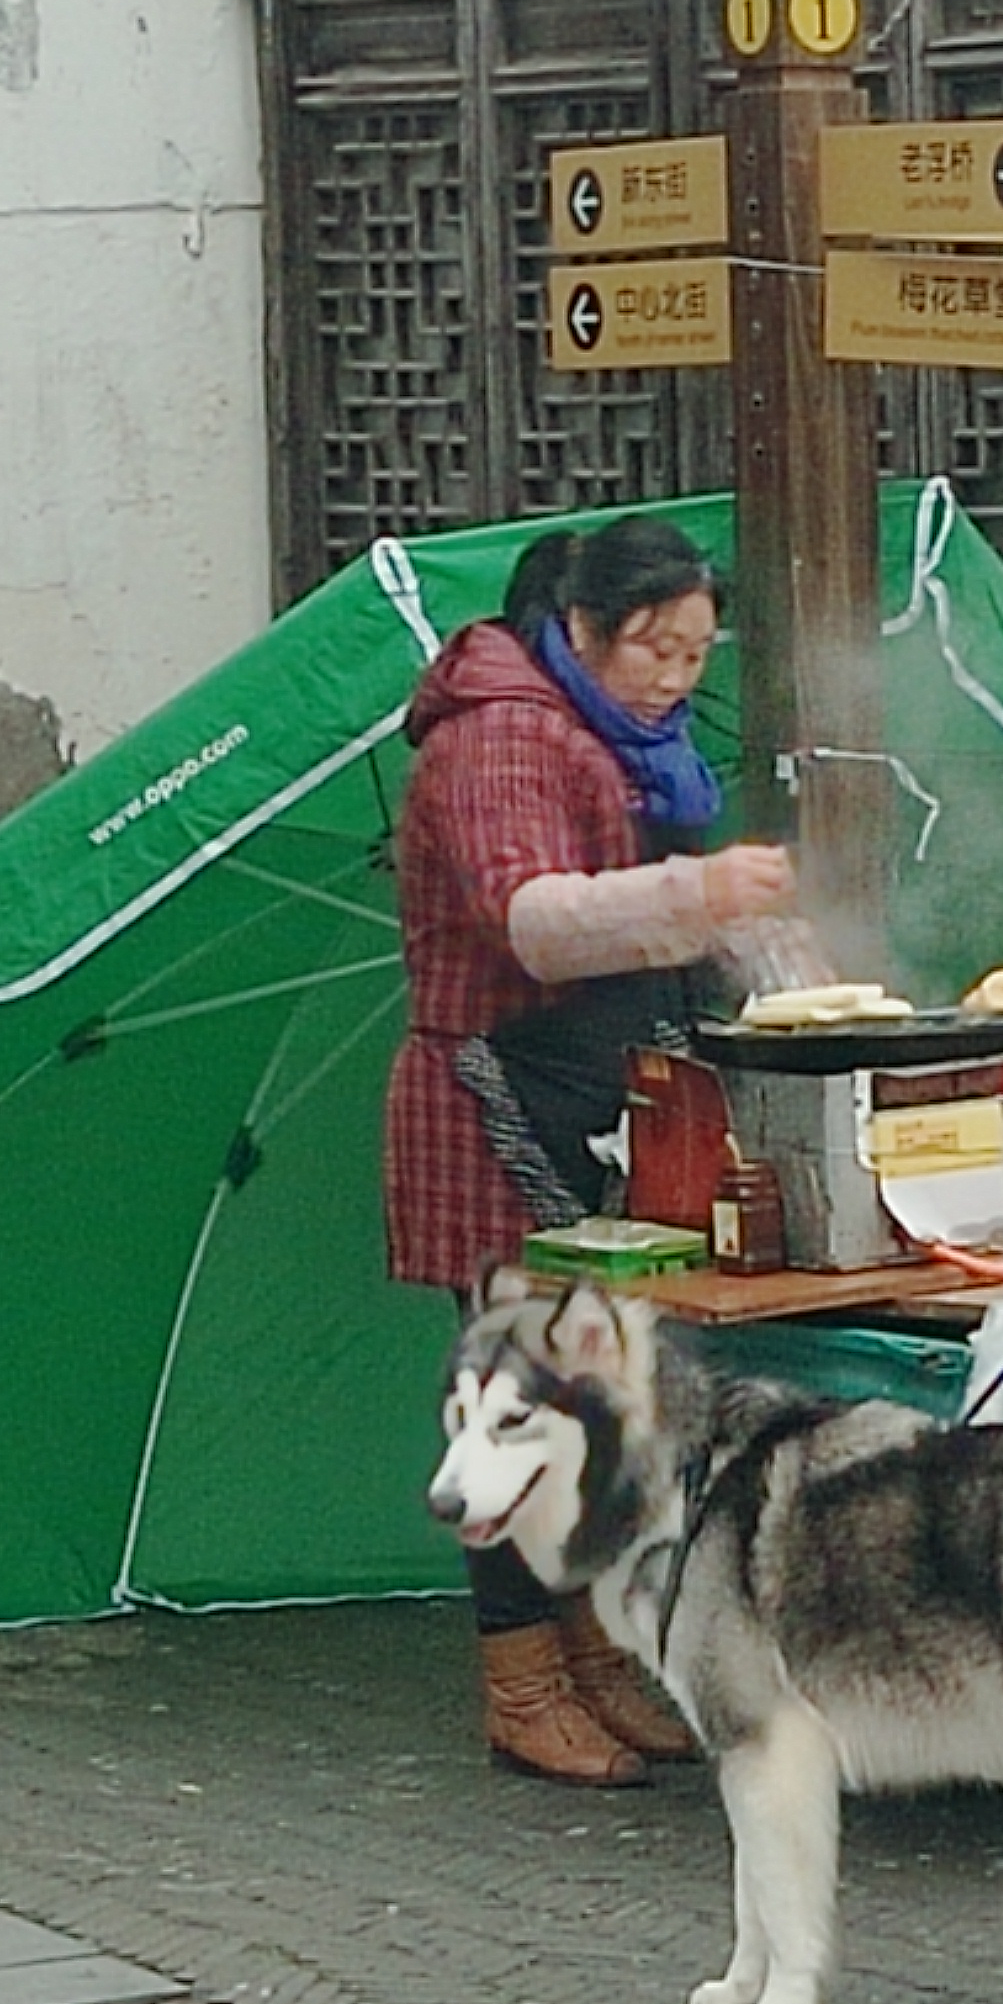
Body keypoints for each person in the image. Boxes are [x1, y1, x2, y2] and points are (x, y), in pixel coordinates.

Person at [387, 513, 798, 1786]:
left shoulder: (631, 747)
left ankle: (588, 1647)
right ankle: (520, 1682)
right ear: (576, 630)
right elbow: (539, 926)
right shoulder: (501, 737)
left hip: (590, 1098)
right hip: (497, 1102)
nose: (677, 679)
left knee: (592, 1394)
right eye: (653, 650)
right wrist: (701, 899)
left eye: (693, 654)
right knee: (515, 1394)